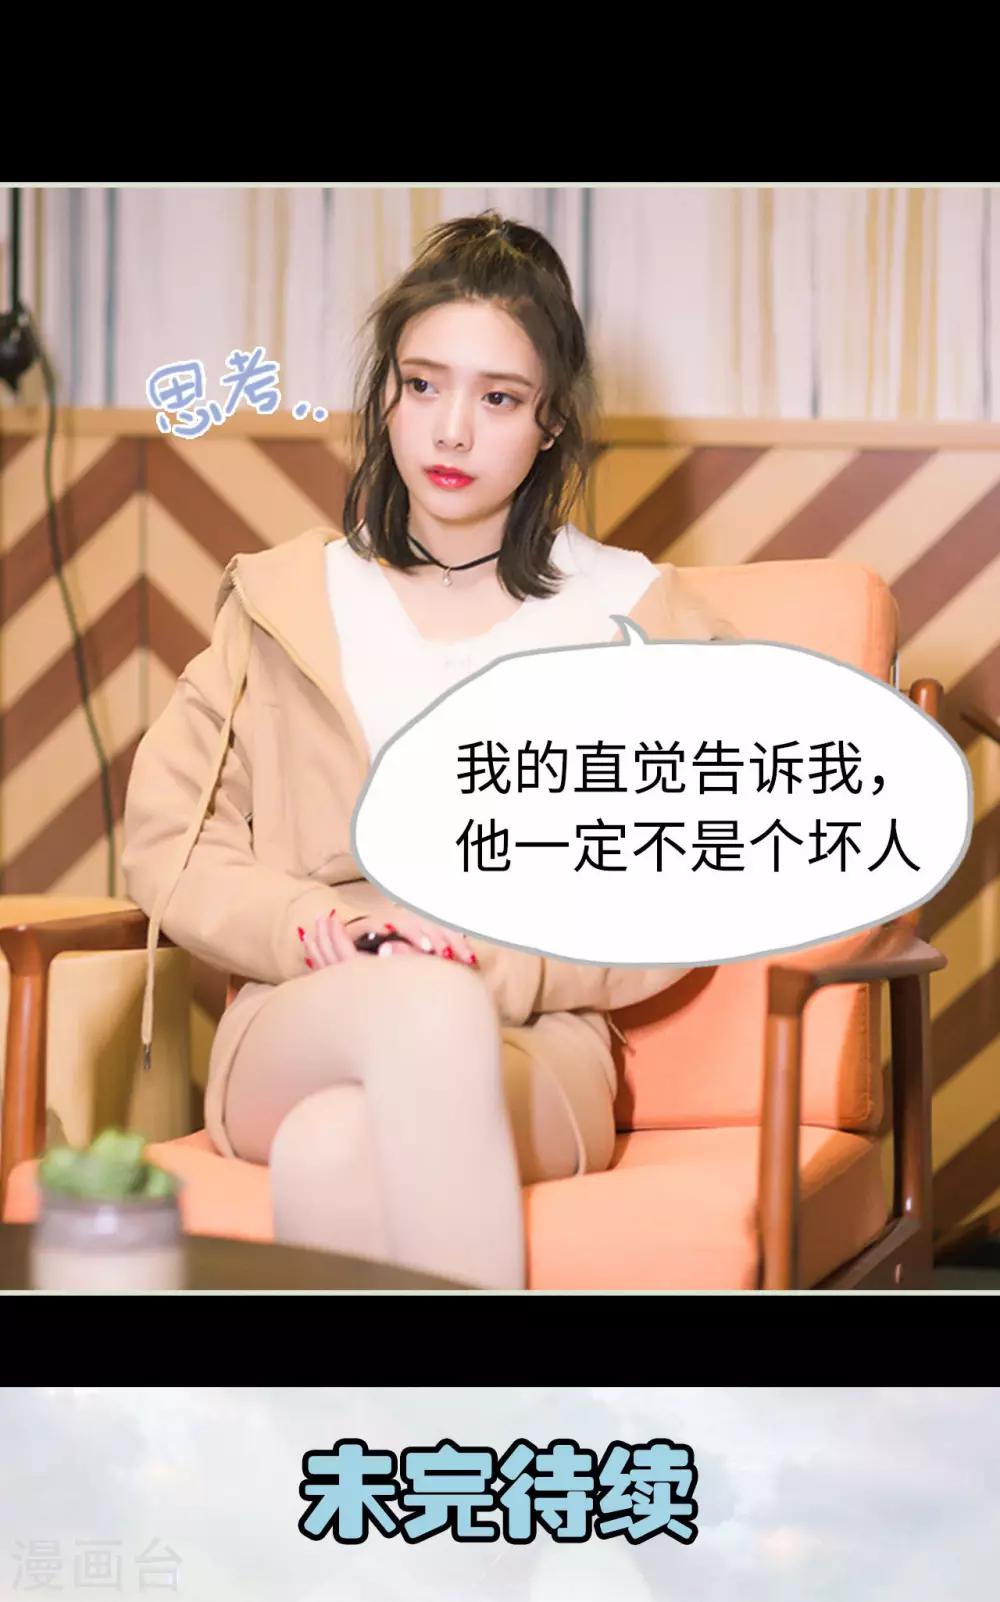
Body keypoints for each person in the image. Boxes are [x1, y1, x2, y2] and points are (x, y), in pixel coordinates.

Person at [121, 210, 740, 1289]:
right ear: (387, 398)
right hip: (299, 1014)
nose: (451, 432)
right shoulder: (286, 600)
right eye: (423, 385)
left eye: (497, 398)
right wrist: (306, 925)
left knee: (335, 1150)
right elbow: (169, 837)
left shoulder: (637, 615)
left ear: (550, 420)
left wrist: (495, 958)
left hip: (535, 1040)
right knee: (408, 1016)